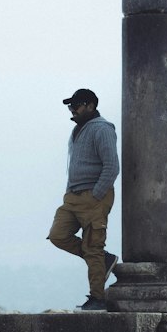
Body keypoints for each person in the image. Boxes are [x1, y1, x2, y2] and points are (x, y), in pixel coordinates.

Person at [47, 88, 119, 311]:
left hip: (94, 197)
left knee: (93, 246)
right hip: (73, 197)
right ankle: (103, 260)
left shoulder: (102, 129)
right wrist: (69, 191)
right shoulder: (77, 130)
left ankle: (97, 298)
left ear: (90, 106)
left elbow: (112, 166)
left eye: (75, 106)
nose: (72, 110)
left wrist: (97, 194)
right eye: (71, 106)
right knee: (58, 236)